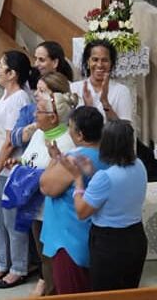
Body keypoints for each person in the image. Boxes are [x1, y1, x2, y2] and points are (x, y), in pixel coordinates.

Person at [9, 82, 78, 295]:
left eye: (39, 112)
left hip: (54, 213)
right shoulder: (40, 134)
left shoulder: (66, 143)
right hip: (35, 208)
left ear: (53, 118)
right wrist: (18, 163)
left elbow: (53, 181)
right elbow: (32, 160)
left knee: (53, 263)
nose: (35, 115)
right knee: (43, 260)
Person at [63, 120, 148, 292]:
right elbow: (117, 191)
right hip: (136, 237)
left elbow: (82, 212)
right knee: (129, 292)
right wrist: (92, 173)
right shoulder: (139, 165)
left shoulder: (105, 178)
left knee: (105, 293)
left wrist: (78, 180)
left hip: (109, 244)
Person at [39, 106, 106, 294]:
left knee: (72, 292)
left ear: (80, 135)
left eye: (70, 127)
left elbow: (46, 186)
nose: (68, 131)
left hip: (70, 239)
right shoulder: (106, 155)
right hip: (95, 237)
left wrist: (53, 162)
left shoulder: (76, 158)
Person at [0, 50, 32, 289]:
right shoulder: (5, 95)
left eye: (1, 66)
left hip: (8, 172)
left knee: (12, 223)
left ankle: (18, 267)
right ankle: (1, 263)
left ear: (12, 73)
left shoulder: (20, 99)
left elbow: (11, 141)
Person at [71, 39, 132, 122]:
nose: (99, 65)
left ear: (111, 63)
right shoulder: (74, 88)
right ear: (88, 62)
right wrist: (88, 108)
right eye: (95, 60)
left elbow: (124, 129)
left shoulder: (122, 91)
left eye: (105, 60)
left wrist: (105, 102)